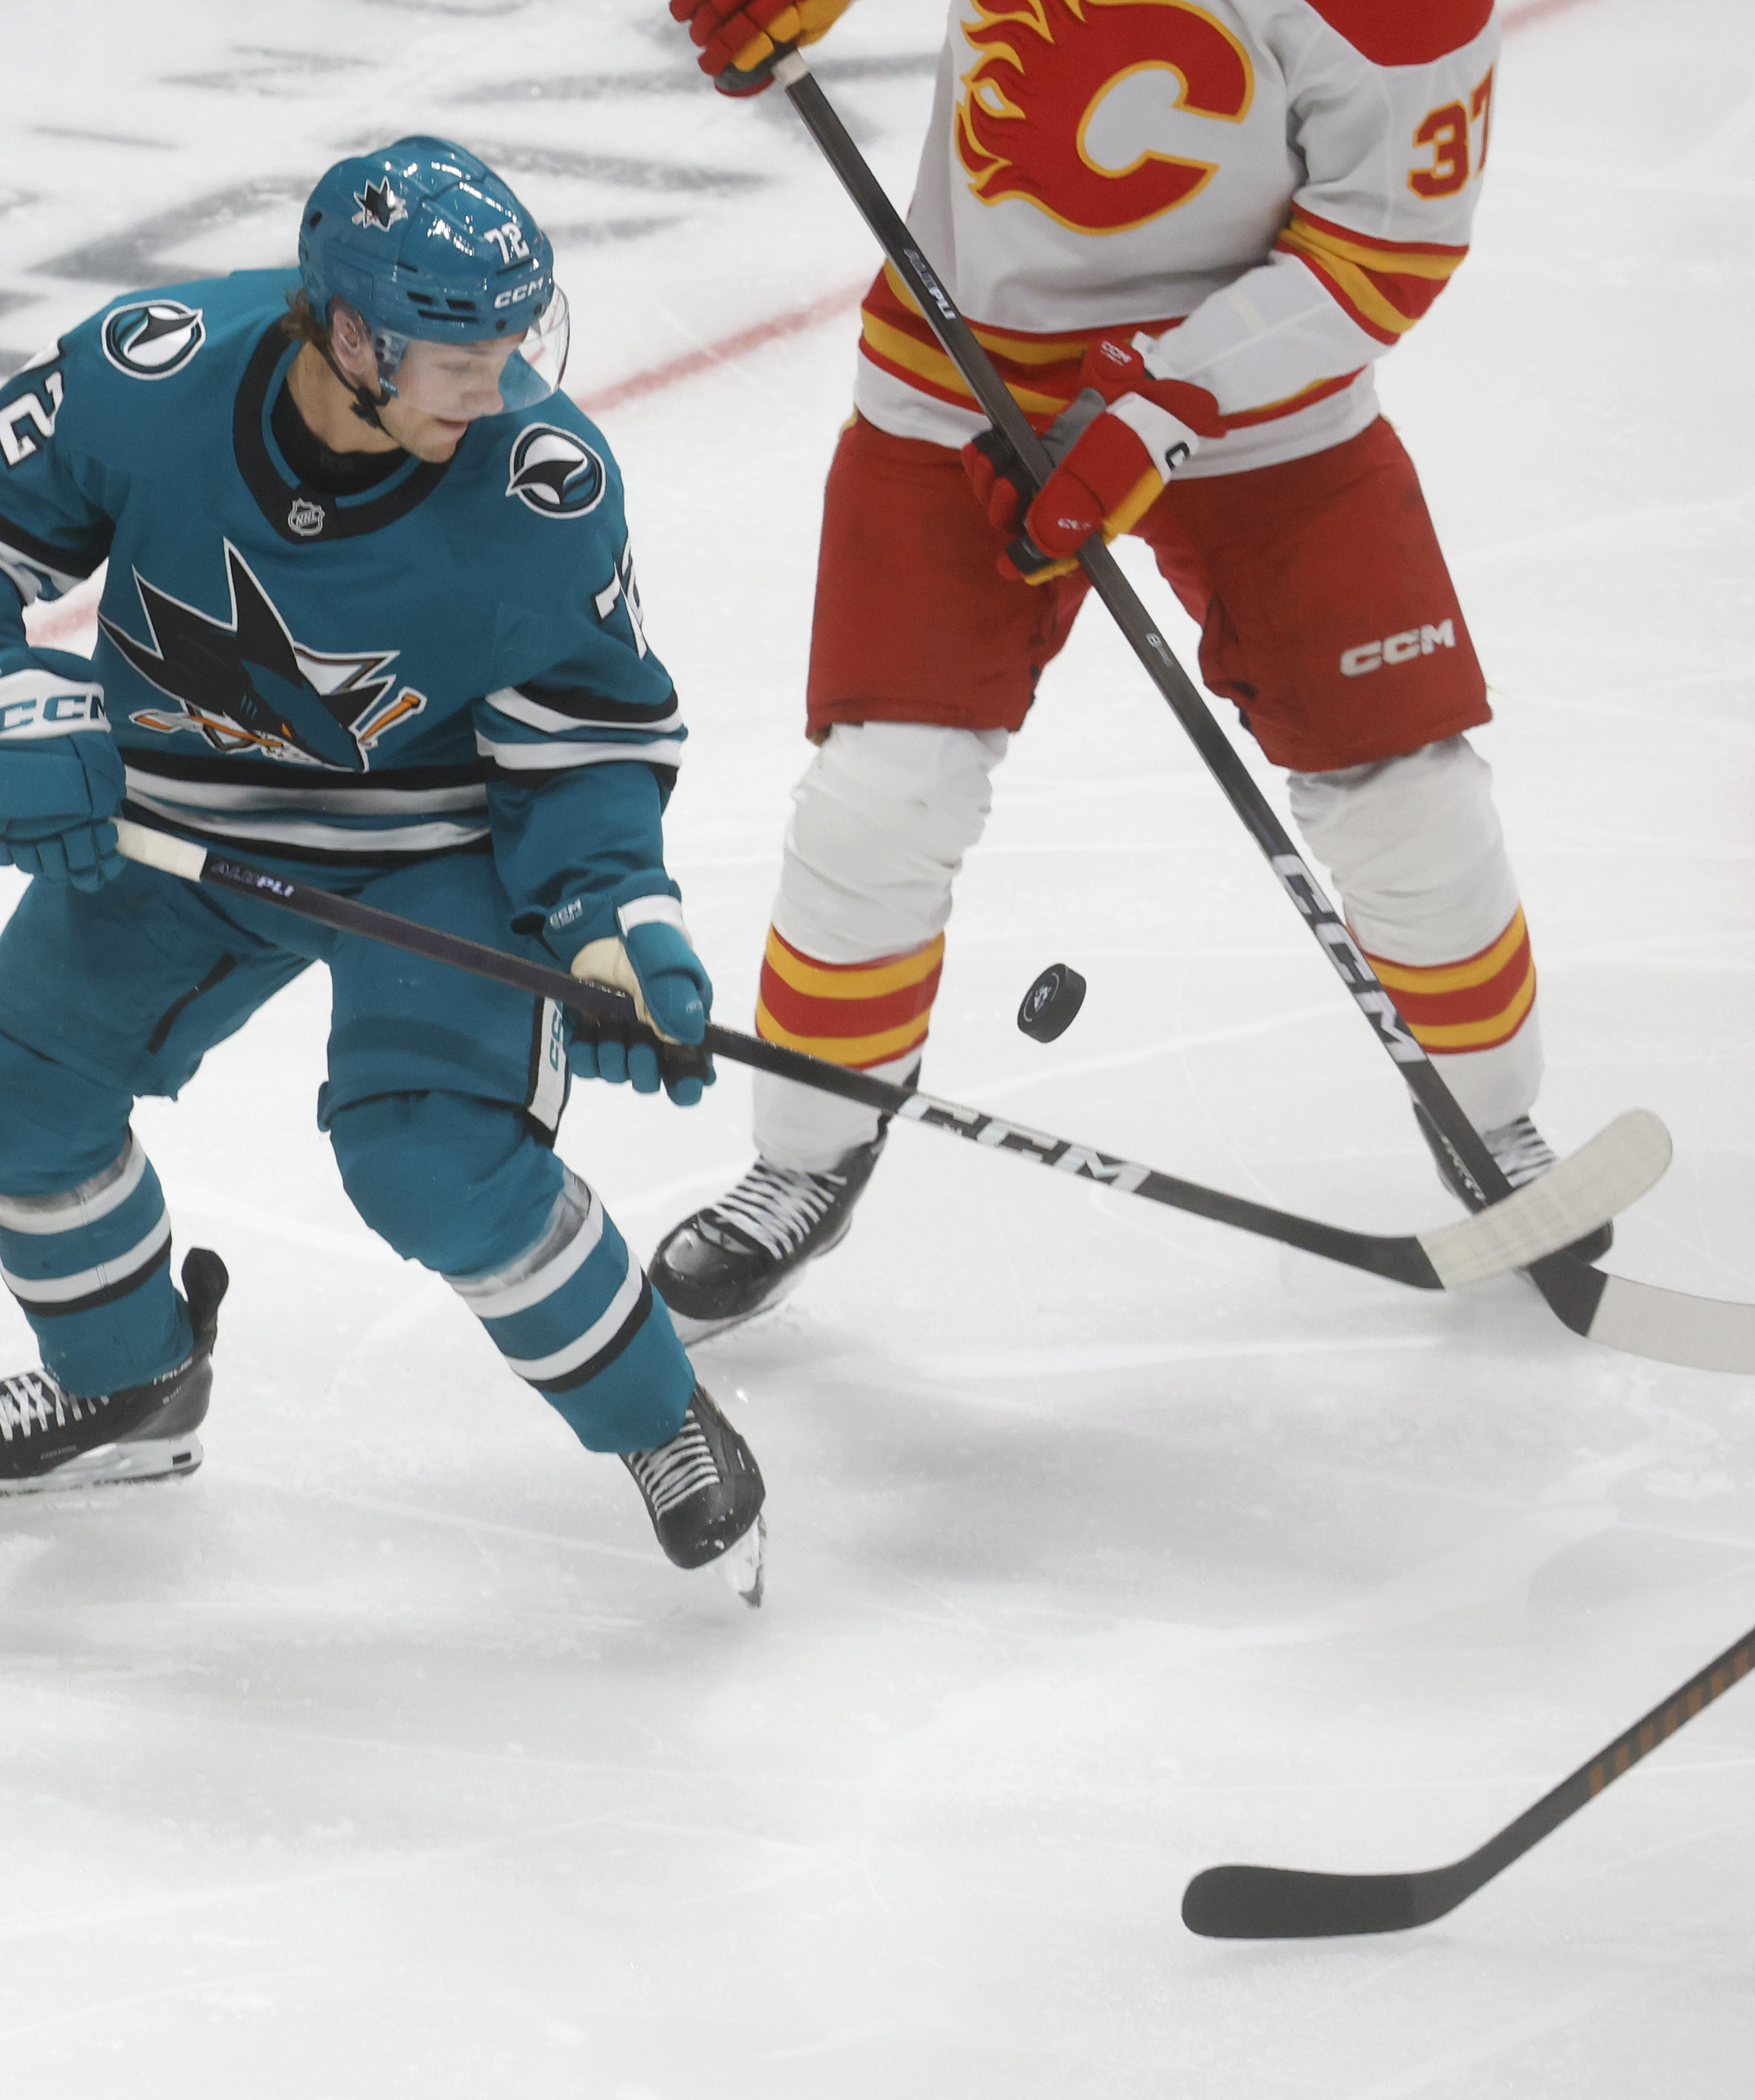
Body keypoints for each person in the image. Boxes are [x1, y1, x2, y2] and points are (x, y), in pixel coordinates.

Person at [0, 138, 764, 1585]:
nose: (495, 389)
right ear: (347, 333)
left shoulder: (540, 490)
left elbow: (585, 739)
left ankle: (658, 1415)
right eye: (453, 359)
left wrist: (610, 922)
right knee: (6, 1092)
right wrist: (14, 703)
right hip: (183, 829)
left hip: (429, 854)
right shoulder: (144, 377)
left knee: (432, 1164)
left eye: (507, 348)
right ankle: (128, 1380)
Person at [651, 0, 1582, 1334]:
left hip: (1257, 399)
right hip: (961, 375)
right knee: (882, 792)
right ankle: (806, 1153)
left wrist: (1158, 403)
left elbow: (1385, 250)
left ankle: (1491, 1123)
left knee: (1401, 789)